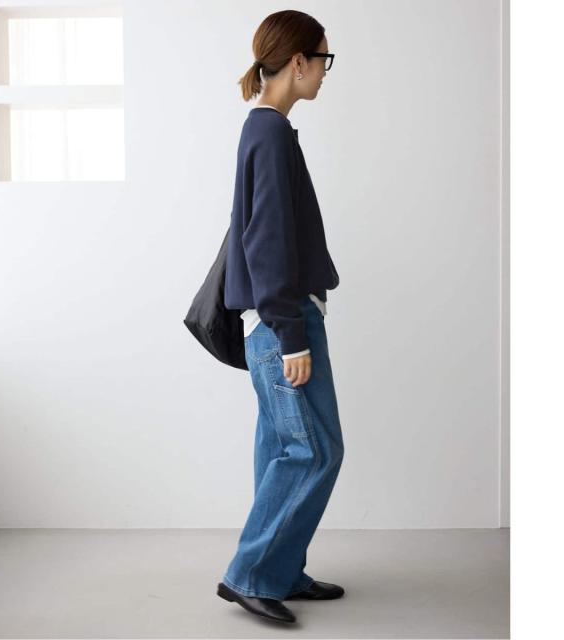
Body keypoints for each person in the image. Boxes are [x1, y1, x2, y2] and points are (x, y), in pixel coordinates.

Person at [218, 10, 345, 624]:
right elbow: (264, 238)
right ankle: (249, 575)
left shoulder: (265, 129)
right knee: (314, 451)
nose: (325, 71)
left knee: (280, 449)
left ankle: (279, 569)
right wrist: (291, 333)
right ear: (298, 62)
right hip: (281, 321)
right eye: (323, 59)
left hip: (273, 318)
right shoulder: (269, 134)